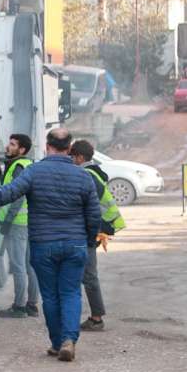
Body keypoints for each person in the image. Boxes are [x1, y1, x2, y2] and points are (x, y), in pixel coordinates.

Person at [0, 128, 101, 362]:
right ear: (70, 148)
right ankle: (68, 340)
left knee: (51, 296)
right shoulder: (83, 176)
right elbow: (93, 215)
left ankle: (57, 343)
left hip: (44, 244)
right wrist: (88, 241)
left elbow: (6, 194)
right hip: (74, 245)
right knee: (71, 293)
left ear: (47, 146)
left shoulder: (34, 172)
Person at [70, 139, 126, 332]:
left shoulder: (87, 175)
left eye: (72, 156)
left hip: (92, 229)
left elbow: (89, 207)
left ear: (80, 157)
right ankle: (94, 316)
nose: (71, 160)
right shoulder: (95, 172)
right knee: (87, 275)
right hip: (98, 227)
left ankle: (96, 318)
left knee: (89, 276)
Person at [0, 133, 40, 319]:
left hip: (17, 224)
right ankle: (32, 305)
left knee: (18, 266)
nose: (8, 146)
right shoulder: (30, 165)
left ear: (22, 150)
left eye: (12, 144)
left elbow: (17, 196)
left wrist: (7, 220)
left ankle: (19, 306)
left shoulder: (18, 167)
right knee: (31, 266)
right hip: (31, 223)